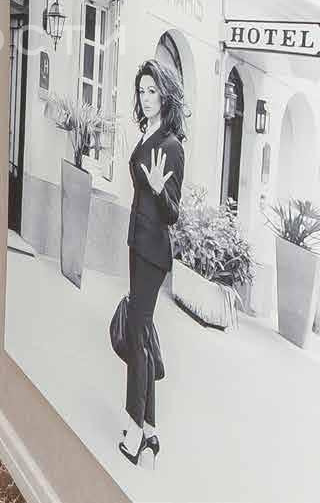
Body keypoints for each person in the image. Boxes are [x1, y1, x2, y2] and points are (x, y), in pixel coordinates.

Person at [118, 58, 187, 470]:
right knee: (140, 334)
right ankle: (151, 430)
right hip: (138, 242)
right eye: (141, 91)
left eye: (152, 92)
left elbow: (172, 213)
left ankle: (134, 427)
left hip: (153, 251)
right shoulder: (148, 134)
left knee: (135, 332)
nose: (145, 98)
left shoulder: (171, 145)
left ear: (165, 96)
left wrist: (161, 190)